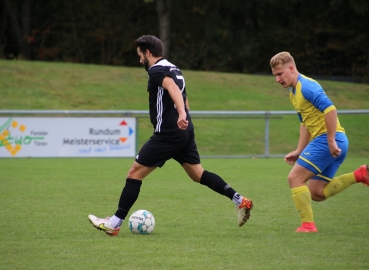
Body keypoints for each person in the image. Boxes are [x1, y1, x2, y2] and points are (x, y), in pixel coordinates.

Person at [88, 35, 253, 236]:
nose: (140, 60)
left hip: (167, 134)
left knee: (134, 173)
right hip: (183, 132)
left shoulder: (156, 70)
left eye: (140, 55)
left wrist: (181, 114)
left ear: (148, 52)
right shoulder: (175, 69)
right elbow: (183, 95)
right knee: (197, 174)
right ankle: (240, 200)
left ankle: (114, 223)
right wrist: (185, 116)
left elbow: (173, 89)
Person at [269, 51, 369, 233]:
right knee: (317, 192)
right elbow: (305, 123)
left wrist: (330, 140)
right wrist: (300, 150)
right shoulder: (293, 92)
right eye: (275, 75)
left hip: (328, 140)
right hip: (334, 140)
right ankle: (360, 175)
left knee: (295, 178)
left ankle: (308, 225)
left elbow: (330, 110)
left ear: (291, 68)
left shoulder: (307, 87)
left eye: (280, 74)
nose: (277, 79)